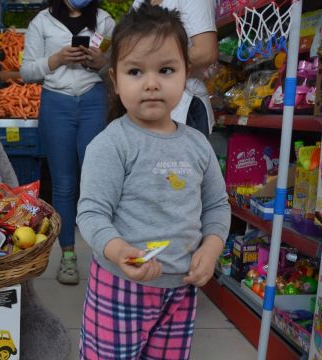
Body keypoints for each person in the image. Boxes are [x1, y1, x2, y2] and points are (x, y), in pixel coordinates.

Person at [76, 3, 230, 359]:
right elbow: (92, 213)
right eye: (134, 71)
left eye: (165, 69)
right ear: (114, 80)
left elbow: (217, 206)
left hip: (181, 288)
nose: (151, 84)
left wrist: (210, 248)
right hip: (119, 285)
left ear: (185, 73)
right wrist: (119, 251)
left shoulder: (197, 144)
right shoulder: (112, 144)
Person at [20, 0, 115, 284]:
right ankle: (69, 255)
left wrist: (100, 64)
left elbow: (117, 69)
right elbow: (27, 72)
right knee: (63, 183)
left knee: (96, 179)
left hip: (94, 101)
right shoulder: (42, 22)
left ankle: (105, 252)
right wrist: (57, 59)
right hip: (55, 103)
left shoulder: (104, 21)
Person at [132, 0, 218, 137]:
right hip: (147, 103)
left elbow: (206, 52)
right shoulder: (139, 2)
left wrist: (153, 62)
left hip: (183, 104)